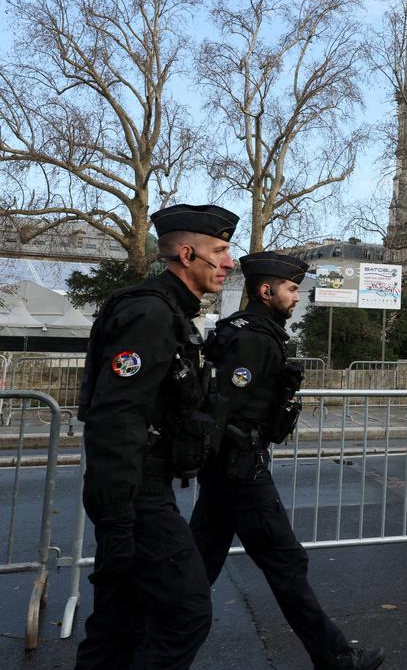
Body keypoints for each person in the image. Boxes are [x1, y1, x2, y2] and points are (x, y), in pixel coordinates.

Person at [189, 252, 384, 670]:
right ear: (266, 290)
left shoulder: (249, 331)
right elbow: (229, 410)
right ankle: (335, 657)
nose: (297, 296)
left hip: (228, 472)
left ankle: (148, 645)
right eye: (292, 288)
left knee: (197, 569)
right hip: (241, 470)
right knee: (285, 562)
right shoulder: (254, 338)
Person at [75, 203, 238, 670]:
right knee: (185, 613)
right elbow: (116, 418)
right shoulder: (150, 313)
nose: (229, 262)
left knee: (117, 626)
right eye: (221, 251)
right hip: (136, 494)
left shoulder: (172, 312)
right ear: (188, 254)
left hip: (142, 488)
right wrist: (121, 519)